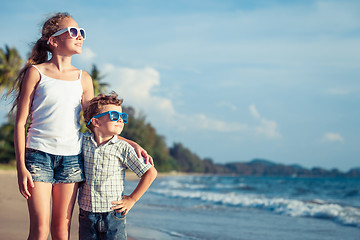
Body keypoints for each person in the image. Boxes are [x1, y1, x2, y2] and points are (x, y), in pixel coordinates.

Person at [11, 12, 151, 240]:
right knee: (39, 230)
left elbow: (95, 124)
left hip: (72, 159)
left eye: (81, 32)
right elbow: (20, 123)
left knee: (61, 230)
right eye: (73, 32)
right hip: (38, 155)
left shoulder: (84, 78)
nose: (80, 37)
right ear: (53, 41)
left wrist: (130, 142)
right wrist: (21, 166)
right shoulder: (36, 73)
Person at [79, 92, 157, 240]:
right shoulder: (83, 142)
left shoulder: (123, 148)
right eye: (114, 116)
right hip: (86, 215)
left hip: (113, 215)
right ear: (96, 122)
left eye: (123, 117)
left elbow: (150, 172)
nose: (120, 119)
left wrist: (132, 199)